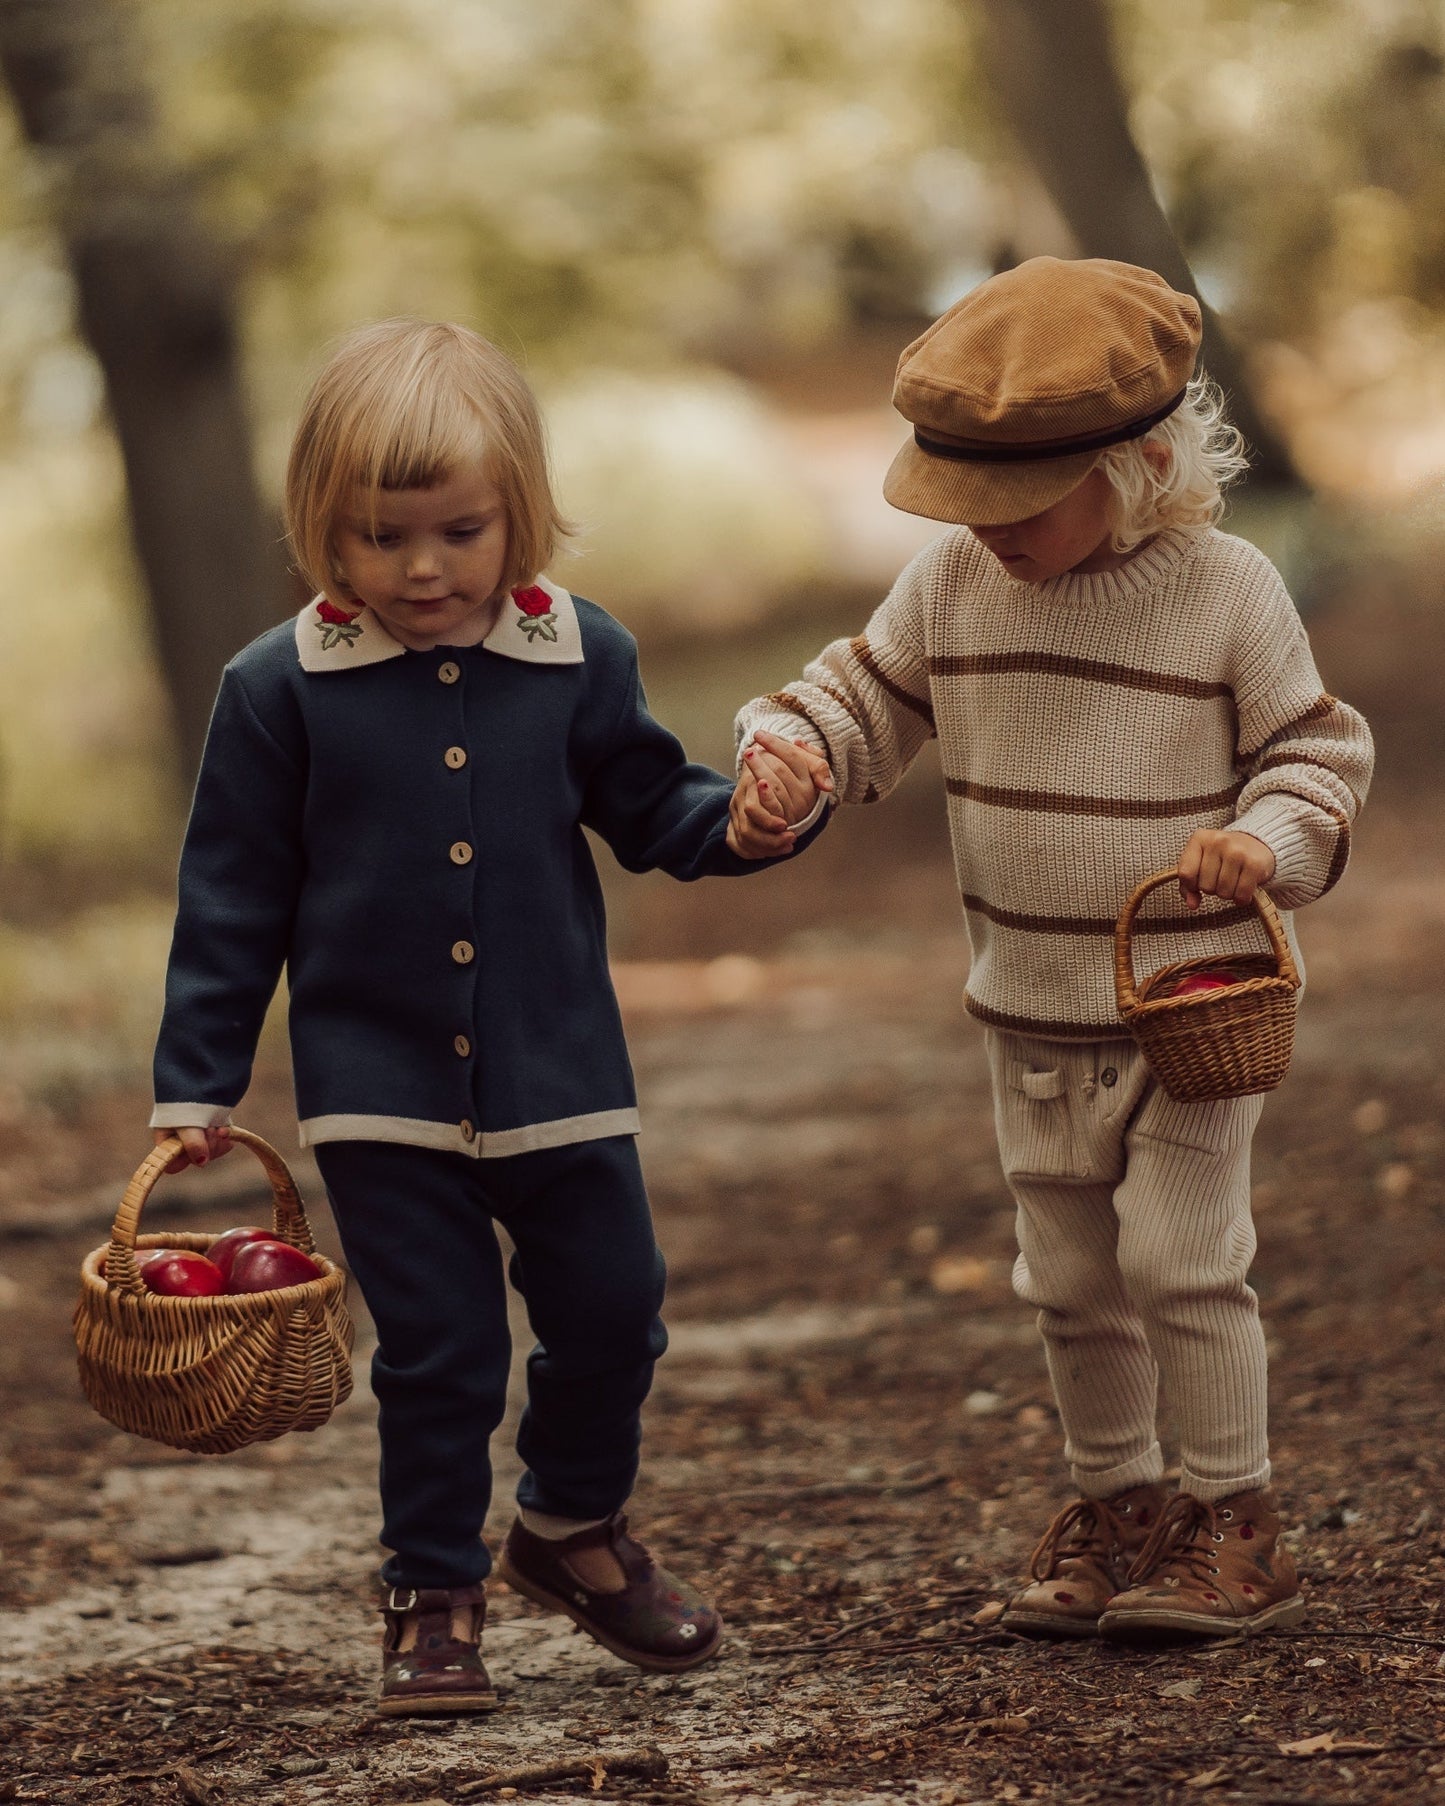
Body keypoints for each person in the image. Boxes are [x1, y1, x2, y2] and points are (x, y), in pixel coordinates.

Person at [148, 318, 830, 1715]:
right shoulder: (278, 687)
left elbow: (652, 806)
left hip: (561, 1073)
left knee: (613, 1308)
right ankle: (432, 1592)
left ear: (519, 513)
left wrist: (749, 824)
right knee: (439, 1347)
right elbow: (232, 893)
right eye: (378, 538)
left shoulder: (577, 654)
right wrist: (196, 1082)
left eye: (458, 531)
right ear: (321, 532)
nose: (420, 569)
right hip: (376, 1090)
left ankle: (570, 1527)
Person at [735, 257, 1373, 1642]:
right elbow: (862, 697)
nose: (990, 535)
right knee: (1071, 1278)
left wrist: (1264, 840)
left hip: (1191, 1005)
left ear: (1137, 463)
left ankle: (1230, 1516)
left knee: (1178, 1259)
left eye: (1017, 505)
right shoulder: (953, 584)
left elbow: (1314, 750)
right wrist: (788, 750)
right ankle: (1120, 1500)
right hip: (1028, 1013)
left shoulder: (1226, 589)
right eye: (962, 504)